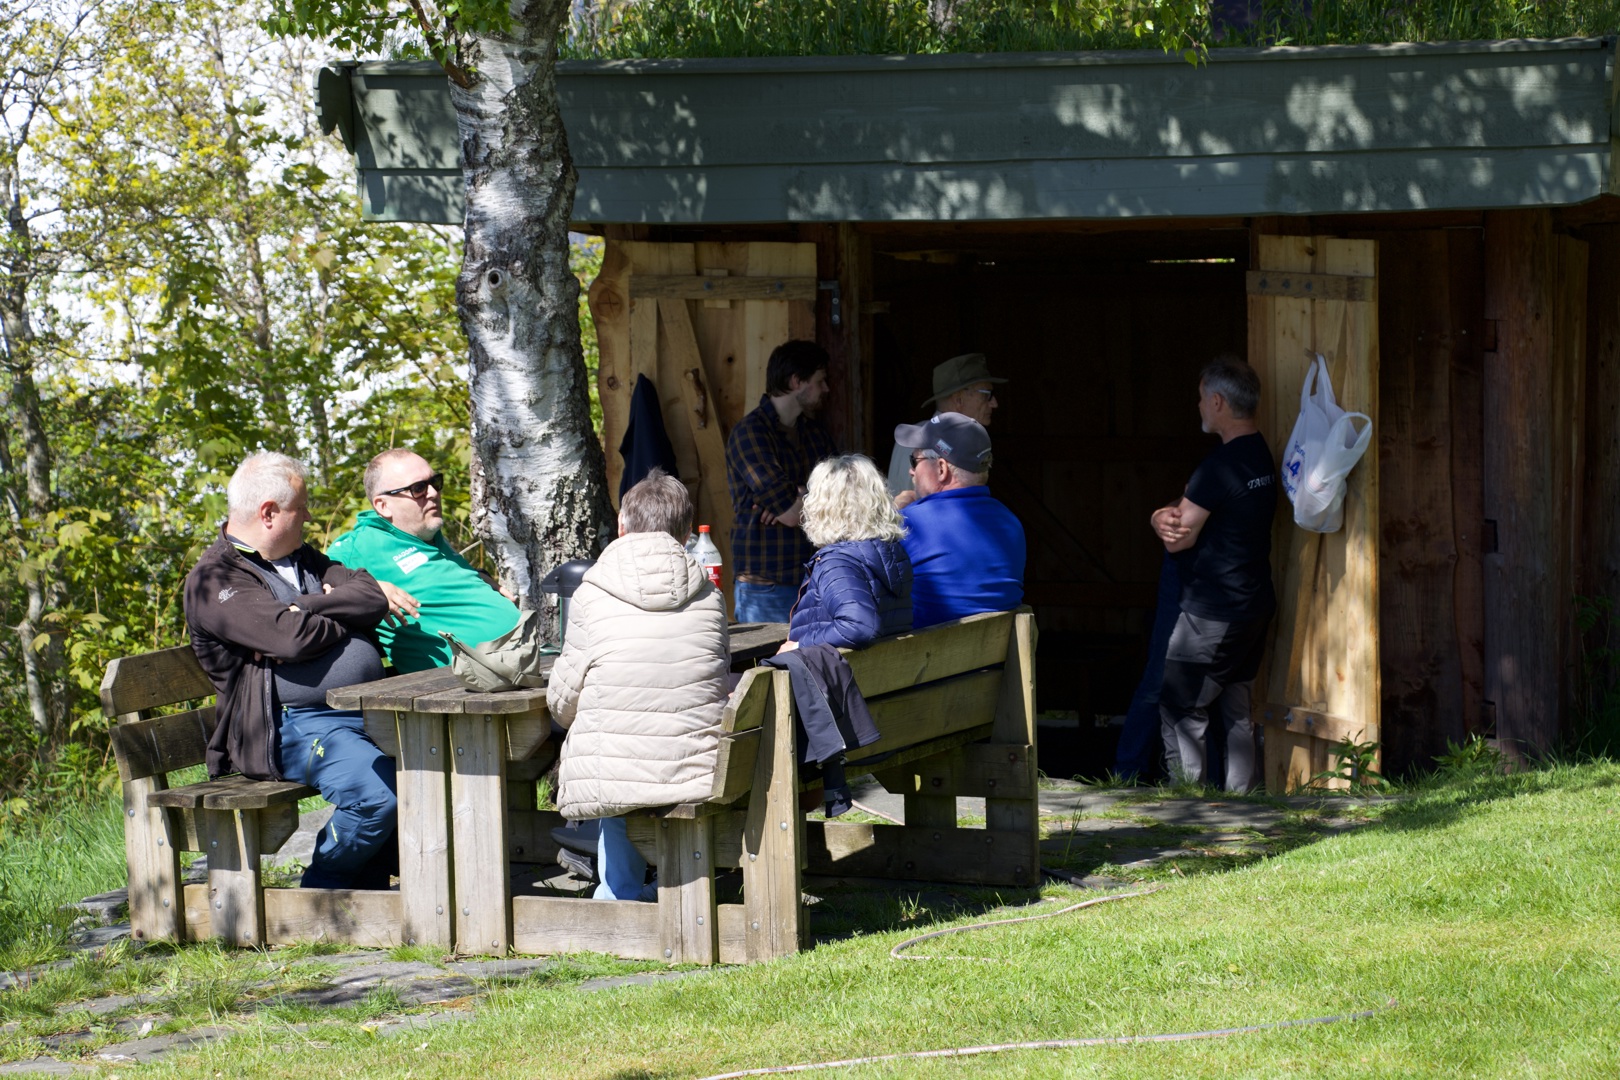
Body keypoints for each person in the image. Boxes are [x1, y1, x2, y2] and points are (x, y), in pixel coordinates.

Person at [183, 451, 411, 889]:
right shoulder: (215, 579)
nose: (308, 515)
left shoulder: (302, 555)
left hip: (358, 713)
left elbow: (370, 595)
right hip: (287, 726)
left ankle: (376, 885)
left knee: (439, 771)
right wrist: (334, 615)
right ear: (269, 513)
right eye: (300, 507)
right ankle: (323, 890)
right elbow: (290, 638)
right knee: (377, 798)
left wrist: (305, 606)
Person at [545, 469, 729, 902]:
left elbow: (563, 701)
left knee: (617, 751)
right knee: (641, 747)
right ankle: (648, 889)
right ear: (686, 532)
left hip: (616, 774)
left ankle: (619, 893)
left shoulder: (593, 593)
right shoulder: (710, 595)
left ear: (622, 526)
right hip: (696, 764)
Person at [1151, 356, 1276, 792]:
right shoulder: (1260, 454)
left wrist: (1155, 519)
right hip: (1254, 604)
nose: (1199, 406)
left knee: (1180, 706)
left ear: (1219, 401)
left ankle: (1188, 809)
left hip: (1212, 612)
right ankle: (1241, 807)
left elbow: (1177, 537)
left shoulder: (1218, 467)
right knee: (1237, 707)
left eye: (1203, 398)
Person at [325, 449, 519, 673]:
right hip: (465, 684)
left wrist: (479, 576)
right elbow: (315, 588)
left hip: (525, 661)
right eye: (418, 488)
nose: (433, 493)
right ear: (382, 505)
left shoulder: (427, 534)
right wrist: (368, 589)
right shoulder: (357, 546)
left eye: (434, 482)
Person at [724, 339, 839, 624]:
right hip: (768, 586)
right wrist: (805, 497)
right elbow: (790, 513)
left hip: (816, 578)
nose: (826, 389)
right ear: (797, 381)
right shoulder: (750, 434)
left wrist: (799, 492)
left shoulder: (815, 434)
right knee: (768, 667)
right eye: (820, 380)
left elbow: (844, 498)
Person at [893, 413, 1026, 628]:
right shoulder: (1011, 523)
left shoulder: (908, 524)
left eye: (914, 461)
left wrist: (891, 512)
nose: (911, 471)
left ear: (942, 468)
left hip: (925, 659)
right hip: (993, 660)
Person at [782, 454, 912, 651]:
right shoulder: (890, 554)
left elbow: (860, 627)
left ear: (822, 506)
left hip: (840, 678)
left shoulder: (837, 564)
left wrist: (799, 645)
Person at [887, 352, 1006, 505]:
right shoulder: (930, 445)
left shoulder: (913, 436)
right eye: (987, 394)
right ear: (959, 399)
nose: (994, 403)